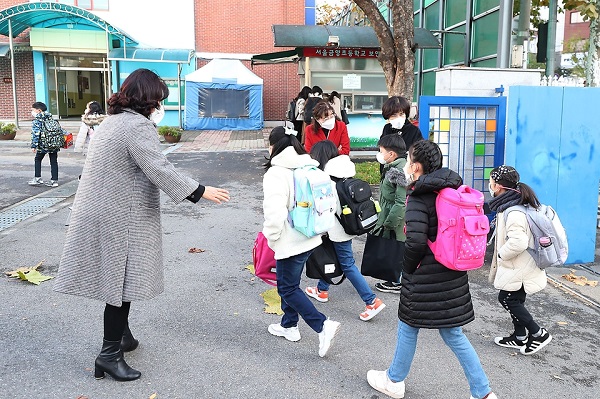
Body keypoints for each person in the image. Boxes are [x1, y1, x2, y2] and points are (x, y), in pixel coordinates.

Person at [53, 69, 230, 382]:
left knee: (120, 279)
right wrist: (201, 191)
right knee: (120, 283)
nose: (158, 106)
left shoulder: (113, 121)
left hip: (104, 211)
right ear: (146, 98)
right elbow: (158, 168)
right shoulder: (136, 126)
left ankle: (122, 337)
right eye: (158, 99)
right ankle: (108, 355)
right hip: (120, 216)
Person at [367, 140, 497, 399]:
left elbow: (414, 242)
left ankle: (394, 380)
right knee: (452, 332)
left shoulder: (418, 196)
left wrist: (407, 269)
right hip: (453, 271)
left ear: (415, 166)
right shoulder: (453, 188)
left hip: (424, 274)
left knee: (407, 325)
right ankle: (483, 393)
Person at [263, 126, 340, 358]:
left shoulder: (276, 173)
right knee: (290, 282)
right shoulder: (309, 166)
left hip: (290, 241)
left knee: (286, 287)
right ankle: (289, 325)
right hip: (310, 236)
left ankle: (322, 325)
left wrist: (271, 237)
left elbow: (274, 213)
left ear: (274, 146)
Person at [305, 140, 386, 321]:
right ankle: (322, 290)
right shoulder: (345, 174)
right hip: (348, 226)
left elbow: (324, 210)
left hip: (336, 231)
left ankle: (371, 301)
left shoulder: (327, 181)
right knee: (335, 258)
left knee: (347, 265)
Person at [488, 165, 553, 355]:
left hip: (520, 265)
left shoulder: (513, 211)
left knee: (508, 299)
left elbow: (518, 242)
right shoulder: (515, 204)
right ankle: (519, 337)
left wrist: (501, 254)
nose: (490, 185)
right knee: (515, 298)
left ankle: (538, 333)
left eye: (491, 181)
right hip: (523, 264)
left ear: (499, 186)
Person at [372, 133, 408, 294]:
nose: (380, 154)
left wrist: (389, 222)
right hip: (391, 214)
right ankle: (394, 279)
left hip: (395, 217)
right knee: (395, 249)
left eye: (382, 151)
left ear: (392, 154)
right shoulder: (394, 167)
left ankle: (397, 282)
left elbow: (400, 201)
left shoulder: (399, 170)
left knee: (397, 248)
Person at [379, 96, 423, 175]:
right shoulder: (387, 128)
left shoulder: (414, 131)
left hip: (406, 173)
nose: (398, 118)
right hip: (387, 171)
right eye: (394, 115)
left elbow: (418, 153)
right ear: (388, 116)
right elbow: (382, 148)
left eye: (401, 114)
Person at [28, 102, 61, 187]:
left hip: (43, 144)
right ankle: (54, 181)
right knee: (54, 161)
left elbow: (36, 134)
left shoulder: (37, 120)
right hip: (53, 143)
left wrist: (34, 145)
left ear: (39, 110)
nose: (32, 112)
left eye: (33, 110)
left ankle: (37, 178)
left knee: (37, 159)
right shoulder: (51, 118)